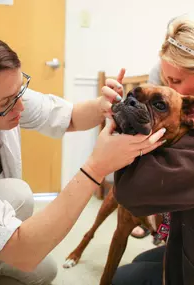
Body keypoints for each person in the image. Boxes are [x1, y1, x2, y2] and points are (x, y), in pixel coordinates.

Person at [0, 32, 165, 285]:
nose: (21, 107)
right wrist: (96, 168)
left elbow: (70, 117)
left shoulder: (2, 93)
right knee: (16, 197)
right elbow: (23, 252)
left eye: (21, 91)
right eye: (8, 102)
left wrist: (102, 105)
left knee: (45, 272)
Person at [107, 15, 194, 285]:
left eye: (176, 82)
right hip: (183, 235)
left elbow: (131, 193)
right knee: (138, 263)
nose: (170, 88)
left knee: (123, 279)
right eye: (166, 79)